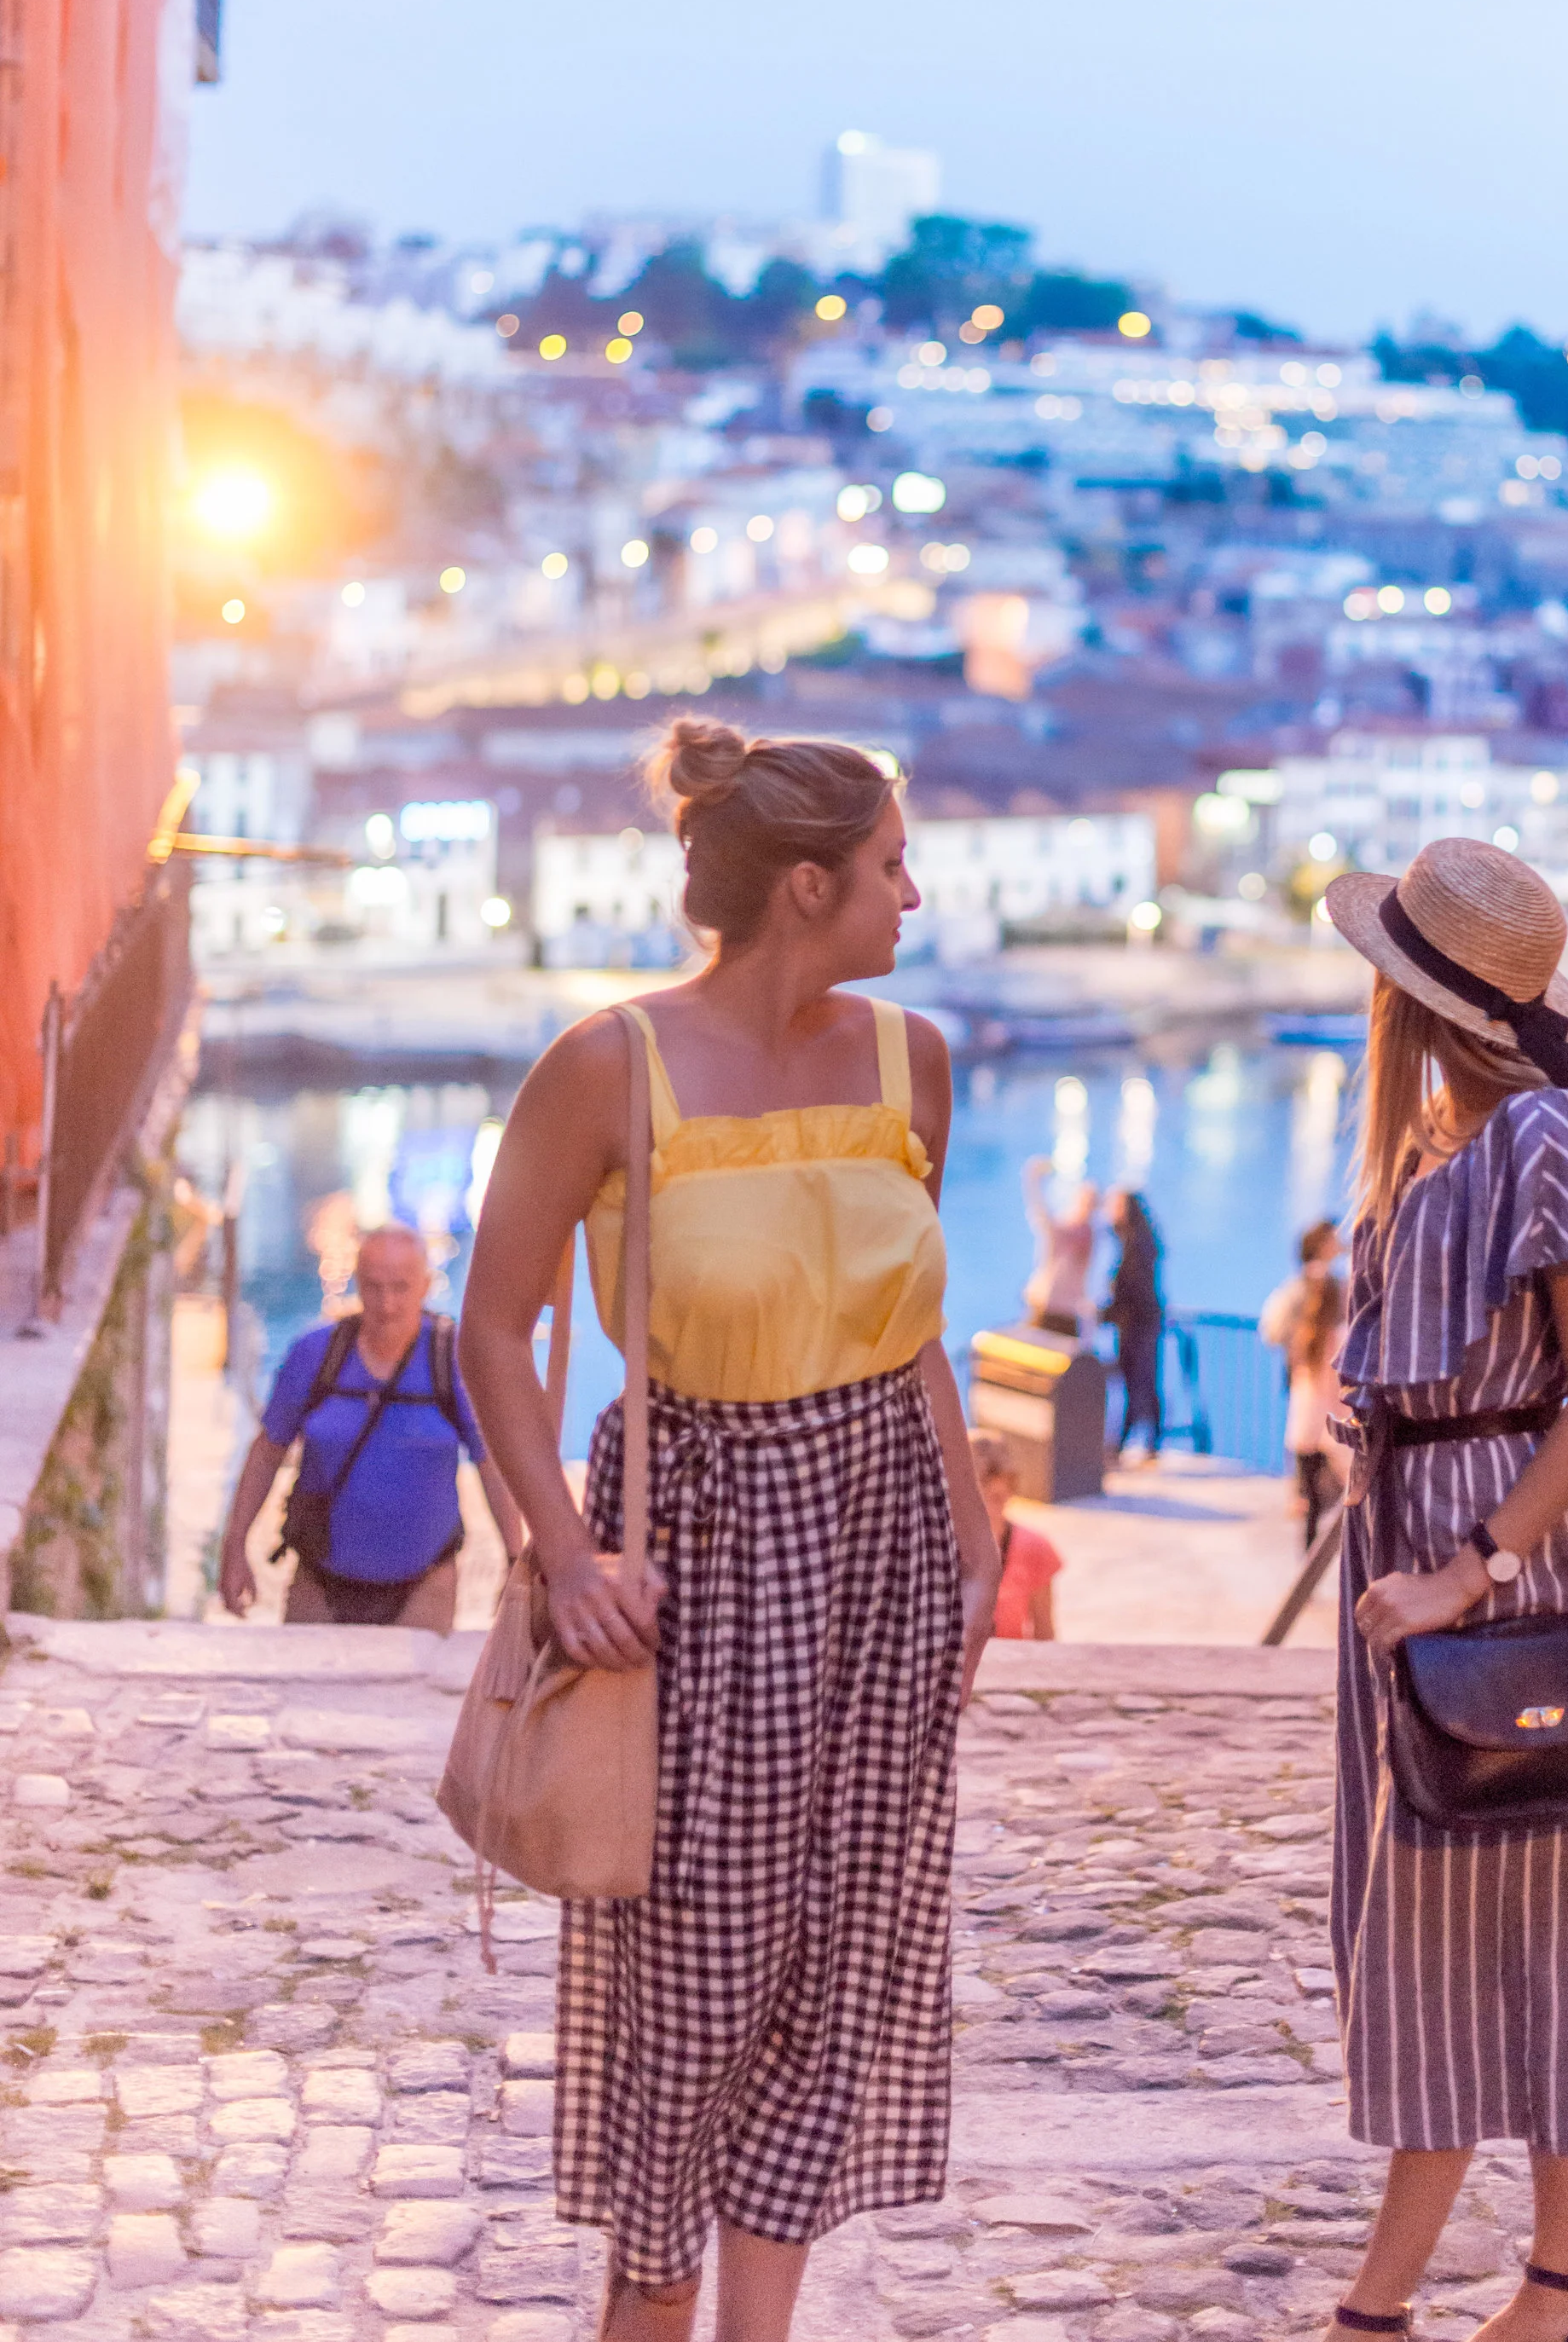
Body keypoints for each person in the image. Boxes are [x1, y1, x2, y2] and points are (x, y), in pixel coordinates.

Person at [459, 720, 998, 2342]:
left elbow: (905, 1325)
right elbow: (491, 1330)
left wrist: (971, 1533)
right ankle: (649, 2314)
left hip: (889, 1541)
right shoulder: (608, 1065)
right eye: (894, 864)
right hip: (701, 1543)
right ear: (810, 885)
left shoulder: (915, 1059)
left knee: (848, 1961)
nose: (917, 891)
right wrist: (562, 1553)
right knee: (693, 1985)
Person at [1317, 836, 1568, 2342]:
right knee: (1505, 1919)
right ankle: (1565, 2270)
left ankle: (1376, 2309)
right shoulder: (1457, 1140)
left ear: (1410, 1002)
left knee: (1443, 1933)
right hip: (1426, 1567)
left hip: (1486, 1583)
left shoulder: (1545, 1138)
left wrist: (1471, 1570)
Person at [217, 1223, 522, 1631]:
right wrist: (234, 1546)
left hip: (424, 1584)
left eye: (401, 1288)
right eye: (374, 1287)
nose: (387, 1304)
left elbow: (492, 1463)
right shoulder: (315, 1355)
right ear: (357, 1284)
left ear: (426, 1285)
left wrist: (515, 1557)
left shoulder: (454, 1362)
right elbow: (268, 1451)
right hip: (320, 1578)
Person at [1260, 1220, 1348, 1549]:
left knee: (1310, 1481)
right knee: (1326, 1482)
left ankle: (1306, 1541)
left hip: (1307, 1393)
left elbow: (1271, 1329)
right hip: (1325, 1400)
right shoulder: (1323, 1287)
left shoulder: (1299, 1291)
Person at [971, 1432, 1062, 1639]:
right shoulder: (939, 1546)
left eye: (999, 1497)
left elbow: (1044, 1634)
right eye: (985, 1496)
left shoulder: (1034, 1547)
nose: (995, 1506)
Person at [1102, 1186, 1166, 1459]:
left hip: (1137, 1325)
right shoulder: (1139, 1241)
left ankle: (1127, 1441)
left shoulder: (1135, 1244)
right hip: (1141, 1322)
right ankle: (1146, 1440)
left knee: (1137, 1381)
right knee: (1143, 1381)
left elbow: (1132, 1288)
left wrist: (1110, 1312)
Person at [1022, 1156, 1099, 1337]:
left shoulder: (1088, 1236)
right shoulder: (1062, 1232)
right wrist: (1032, 1180)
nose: (1087, 1207)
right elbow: (1040, 1215)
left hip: (1066, 1312)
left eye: (1091, 1203)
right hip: (1048, 1307)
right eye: (1085, 1201)